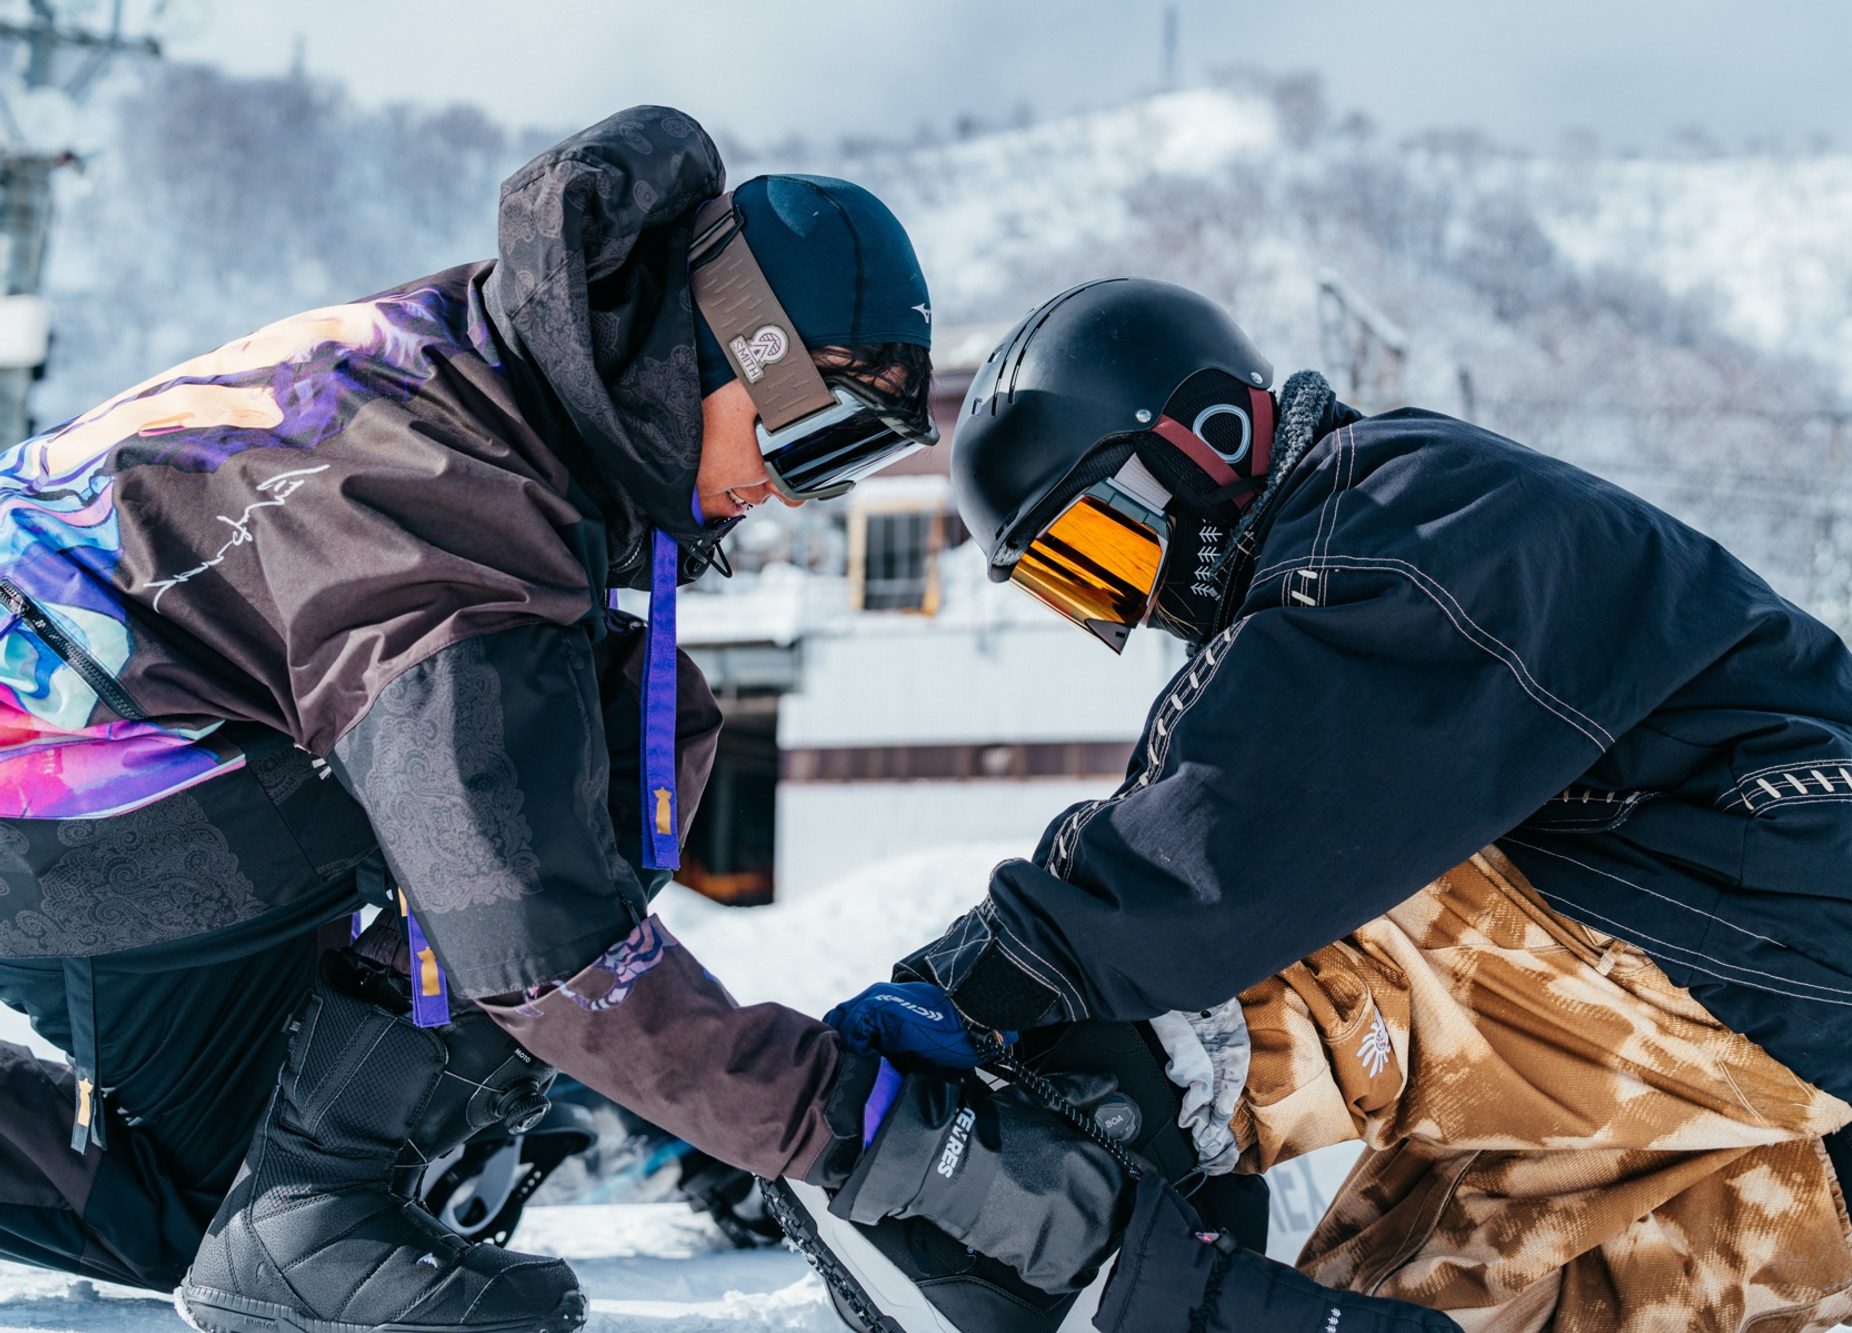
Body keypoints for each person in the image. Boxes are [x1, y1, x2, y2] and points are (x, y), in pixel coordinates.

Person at [0, 105, 1111, 1333]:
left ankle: (309, 1199)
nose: (789, 492)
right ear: (724, 347)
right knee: (575, 760)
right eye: (809, 438)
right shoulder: (447, 508)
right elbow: (534, 927)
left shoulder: (498, 380)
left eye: (843, 469)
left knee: (208, 1210)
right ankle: (323, 1196)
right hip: (66, 775)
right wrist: (874, 1135)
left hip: (113, 764)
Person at [816, 277, 1852, 1333]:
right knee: (1404, 1286)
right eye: (1076, 590)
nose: (1133, 606)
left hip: (1752, 873)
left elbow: (1203, 850)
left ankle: (1018, 1238)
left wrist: (972, 985)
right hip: (1767, 968)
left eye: (1098, 550)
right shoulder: (1356, 555)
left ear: (1206, 438)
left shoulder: (1383, 526)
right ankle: (1782, 1184)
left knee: (1226, 962)